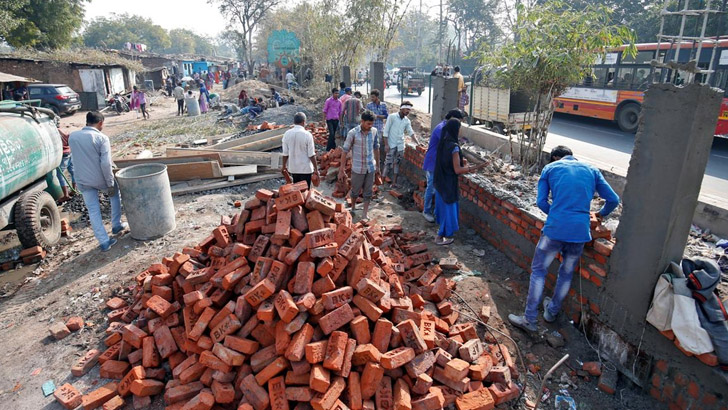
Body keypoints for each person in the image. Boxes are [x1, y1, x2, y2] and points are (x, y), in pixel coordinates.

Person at [508, 146, 620, 333]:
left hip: (555, 230)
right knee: (566, 273)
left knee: (538, 271)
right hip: (579, 233)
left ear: (555, 157)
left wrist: (558, 215)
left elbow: (541, 202)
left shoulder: (550, 168)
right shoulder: (592, 170)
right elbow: (613, 199)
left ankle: (529, 319)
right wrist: (600, 214)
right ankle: (551, 312)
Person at [68, 112, 126, 251]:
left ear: (87, 121)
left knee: (93, 210)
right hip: (100, 178)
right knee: (114, 196)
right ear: (100, 123)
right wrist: (110, 182)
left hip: (82, 179)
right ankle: (116, 224)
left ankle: (104, 242)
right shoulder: (101, 138)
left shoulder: (73, 137)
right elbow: (106, 164)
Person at [433, 119, 479, 245]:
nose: (460, 131)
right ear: (455, 129)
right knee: (449, 210)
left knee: (443, 210)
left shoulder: (443, 143)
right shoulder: (453, 147)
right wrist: (474, 168)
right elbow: (457, 170)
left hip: (441, 182)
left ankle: (441, 233)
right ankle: (441, 236)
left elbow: (447, 162)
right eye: (459, 128)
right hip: (449, 184)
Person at [422, 109, 464, 222]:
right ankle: (426, 211)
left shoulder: (446, 128)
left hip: (439, 162)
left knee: (437, 189)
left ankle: (436, 212)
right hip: (433, 161)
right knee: (431, 188)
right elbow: (449, 146)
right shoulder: (442, 129)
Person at [339, 110, 381, 221]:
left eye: (372, 124)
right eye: (368, 124)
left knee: (368, 192)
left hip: (370, 167)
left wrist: (378, 166)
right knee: (355, 191)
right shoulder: (353, 133)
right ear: (362, 121)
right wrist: (341, 169)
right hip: (358, 168)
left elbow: (376, 148)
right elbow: (345, 151)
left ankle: (364, 214)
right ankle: (353, 207)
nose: (370, 126)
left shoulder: (374, 131)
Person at [382, 101, 419, 188]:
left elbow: (410, 132)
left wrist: (417, 143)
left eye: (409, 110)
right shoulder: (392, 117)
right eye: (406, 109)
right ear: (402, 108)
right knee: (387, 163)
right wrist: (386, 145)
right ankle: (382, 183)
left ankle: (394, 183)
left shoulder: (407, 121)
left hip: (400, 146)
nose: (408, 111)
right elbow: (386, 131)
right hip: (391, 144)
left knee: (397, 163)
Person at [281, 112, 319, 188]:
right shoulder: (307, 135)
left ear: (294, 122)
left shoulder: (287, 134)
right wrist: (316, 169)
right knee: (305, 192)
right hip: (305, 169)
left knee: (296, 191)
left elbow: (285, 154)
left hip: (293, 168)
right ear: (303, 122)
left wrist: (284, 166)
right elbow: (311, 154)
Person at [366, 90, 388, 171]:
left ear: (377, 97)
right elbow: (366, 116)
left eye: (373, 97)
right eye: (371, 97)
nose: (371, 98)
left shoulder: (383, 105)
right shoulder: (369, 105)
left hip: (379, 128)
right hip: (370, 128)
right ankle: (371, 162)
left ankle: (378, 163)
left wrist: (377, 116)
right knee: (370, 146)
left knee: (377, 146)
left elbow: (386, 116)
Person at [56, 123, 76, 202]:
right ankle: (74, 190)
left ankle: (66, 195)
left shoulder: (55, 132)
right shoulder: (65, 130)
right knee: (72, 171)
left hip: (63, 154)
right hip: (69, 151)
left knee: (59, 173)